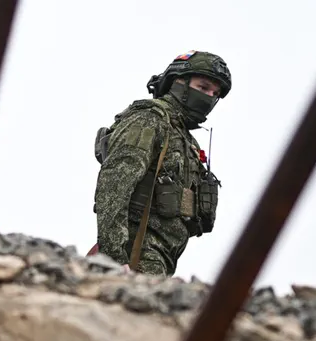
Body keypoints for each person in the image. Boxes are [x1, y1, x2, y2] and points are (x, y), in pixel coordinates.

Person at [91, 50, 232, 276]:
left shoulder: (188, 141)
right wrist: (114, 257)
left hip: (165, 257)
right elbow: (115, 183)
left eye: (215, 94)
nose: (208, 97)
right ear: (178, 83)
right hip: (137, 251)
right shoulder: (150, 118)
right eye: (203, 87)